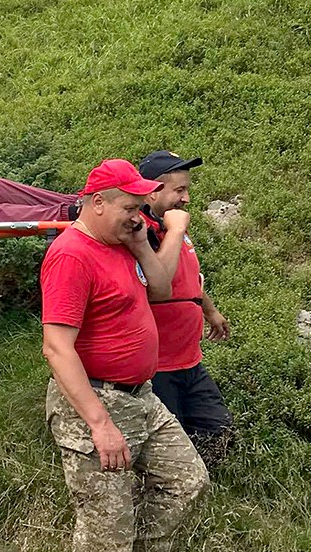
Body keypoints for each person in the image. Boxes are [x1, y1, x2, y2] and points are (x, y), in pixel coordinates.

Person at [40, 159, 209, 552]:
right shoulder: (72, 255)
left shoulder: (121, 244)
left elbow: (159, 289)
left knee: (188, 482)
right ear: (98, 202)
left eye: (142, 207)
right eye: (130, 208)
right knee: (106, 526)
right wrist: (98, 423)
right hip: (97, 403)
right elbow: (57, 347)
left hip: (142, 398)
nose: (139, 216)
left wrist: (138, 241)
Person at [138, 151, 234, 466]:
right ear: (152, 191)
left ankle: (208, 498)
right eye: (179, 190)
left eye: (186, 189)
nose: (187, 198)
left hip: (189, 360)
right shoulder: (140, 233)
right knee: (166, 452)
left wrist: (210, 310)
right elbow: (159, 284)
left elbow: (187, 277)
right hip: (157, 368)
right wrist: (175, 231)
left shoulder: (172, 225)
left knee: (217, 432)